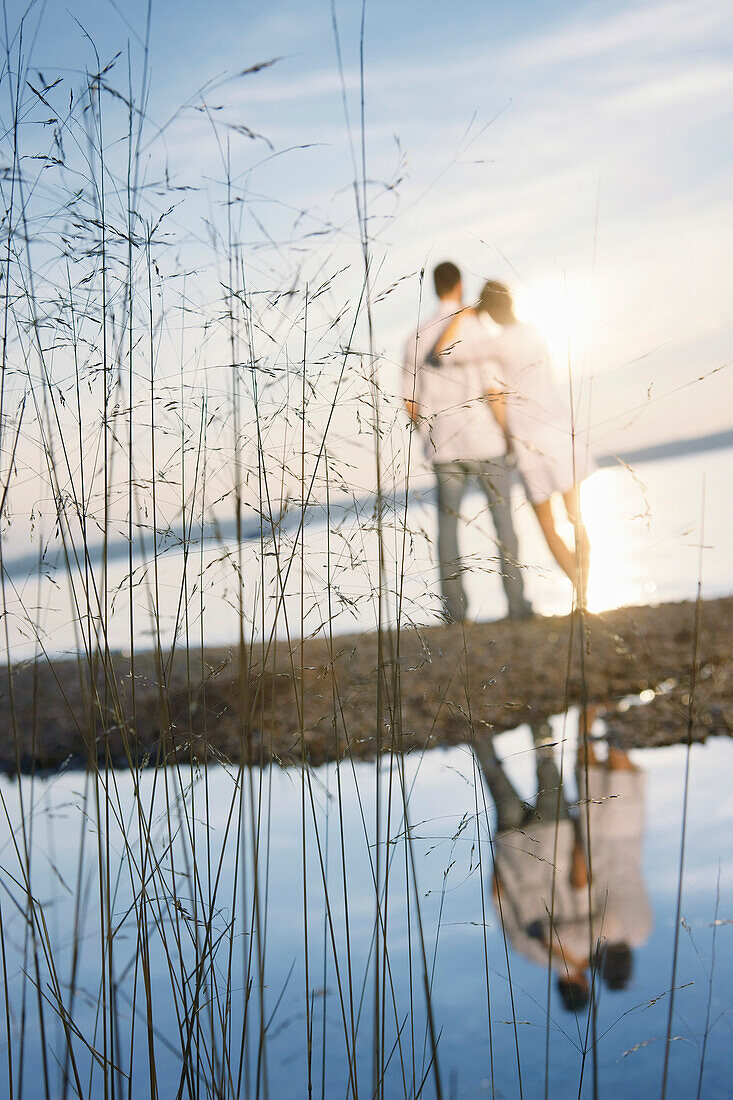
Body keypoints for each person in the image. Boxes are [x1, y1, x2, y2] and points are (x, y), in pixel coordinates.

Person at [431, 281, 594, 603]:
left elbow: (442, 351)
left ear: (488, 310)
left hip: (528, 440)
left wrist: (466, 311)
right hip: (561, 432)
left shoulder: (498, 344)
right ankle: (586, 585)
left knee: (548, 527)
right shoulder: (536, 332)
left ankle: (581, 595)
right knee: (577, 520)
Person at [402, 263, 533, 623]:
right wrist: (509, 436)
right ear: (459, 285)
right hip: (487, 441)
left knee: (448, 530)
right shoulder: (475, 329)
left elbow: (410, 403)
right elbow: (494, 391)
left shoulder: (415, 336)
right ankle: (518, 606)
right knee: (504, 525)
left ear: (434, 287)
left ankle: (456, 614)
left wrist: (429, 434)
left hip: (444, 446)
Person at [474, 724, 597, 1013]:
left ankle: (539, 719)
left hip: (555, 841)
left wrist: (580, 836)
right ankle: (477, 729)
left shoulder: (586, 944)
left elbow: (580, 883)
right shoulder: (525, 951)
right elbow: (497, 895)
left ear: (584, 985)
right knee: (495, 777)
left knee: (548, 770)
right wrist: (500, 854)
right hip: (513, 847)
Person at [575, 731, 652, 991]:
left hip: (626, 839)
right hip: (595, 841)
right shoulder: (602, 933)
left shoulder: (642, 932)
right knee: (589, 770)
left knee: (620, 772)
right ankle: (591, 713)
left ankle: (613, 711)